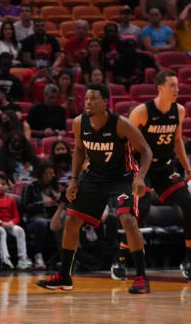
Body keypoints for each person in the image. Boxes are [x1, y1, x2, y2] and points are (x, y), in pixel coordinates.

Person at [37, 83, 152, 294]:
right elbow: (79, 150)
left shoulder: (121, 124)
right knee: (71, 220)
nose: (88, 102)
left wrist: (141, 177)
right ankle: (64, 276)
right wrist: (73, 179)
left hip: (123, 177)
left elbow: (146, 150)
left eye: (93, 99)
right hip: (95, 177)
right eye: (86, 99)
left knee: (127, 219)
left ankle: (141, 277)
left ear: (105, 102)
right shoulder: (80, 123)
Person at [111, 71, 191, 281]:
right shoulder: (142, 112)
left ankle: (189, 258)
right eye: (172, 85)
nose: (177, 89)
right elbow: (124, 141)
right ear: (160, 88)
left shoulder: (179, 111)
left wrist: (187, 168)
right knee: (142, 208)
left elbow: (177, 141)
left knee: (188, 203)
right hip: (140, 167)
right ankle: (120, 256)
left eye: (177, 85)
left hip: (164, 166)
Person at [20, 164, 61, 270]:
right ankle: (38, 256)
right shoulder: (30, 186)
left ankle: (62, 258)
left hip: (49, 218)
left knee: (63, 221)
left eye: (52, 174)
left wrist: (58, 201)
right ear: (40, 174)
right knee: (41, 223)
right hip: (32, 220)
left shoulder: (54, 188)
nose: (49, 176)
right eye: (47, 174)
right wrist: (42, 203)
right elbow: (24, 206)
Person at [0, 172, 32, 270]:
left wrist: (12, 223)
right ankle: (5, 259)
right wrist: (0, 223)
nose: (0, 186)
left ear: (8, 186)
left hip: (9, 224)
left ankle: (22, 259)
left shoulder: (11, 200)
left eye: (3, 184)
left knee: (20, 230)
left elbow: (16, 217)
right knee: (2, 232)